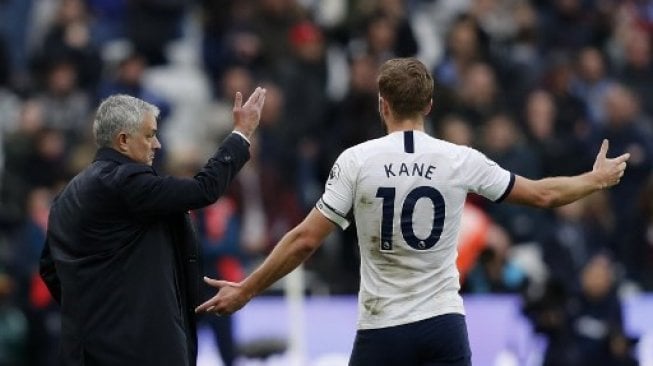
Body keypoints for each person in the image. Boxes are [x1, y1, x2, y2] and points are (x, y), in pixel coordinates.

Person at [195, 58, 630, 366]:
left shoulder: (356, 160)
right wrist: (594, 180)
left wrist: (247, 289)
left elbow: (305, 240)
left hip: (383, 328)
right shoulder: (460, 159)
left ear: (382, 103)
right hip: (443, 323)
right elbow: (541, 195)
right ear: (429, 106)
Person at [39, 87, 266, 366]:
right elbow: (203, 189)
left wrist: (92, 310)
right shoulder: (125, 181)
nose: (157, 144)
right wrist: (241, 134)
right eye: (149, 135)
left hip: (83, 349)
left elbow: (50, 267)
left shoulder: (66, 196)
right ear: (123, 140)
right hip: (138, 350)